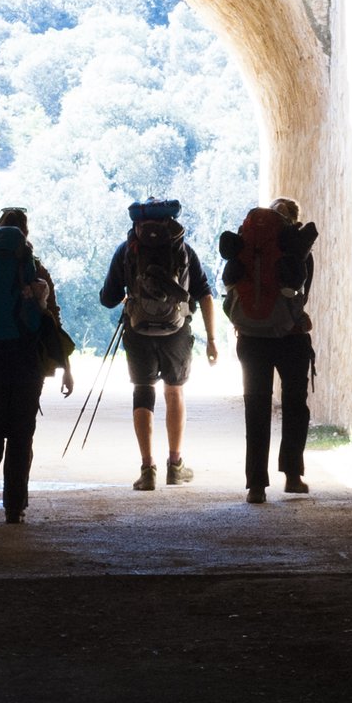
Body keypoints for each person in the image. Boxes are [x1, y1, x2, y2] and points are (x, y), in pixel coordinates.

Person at [0, 207, 74, 523]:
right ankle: (14, 507)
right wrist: (64, 366)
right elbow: (51, 320)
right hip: (26, 360)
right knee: (21, 434)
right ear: (25, 235)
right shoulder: (36, 271)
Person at [97, 197, 218, 490]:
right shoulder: (184, 250)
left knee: (143, 391)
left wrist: (129, 295)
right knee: (174, 392)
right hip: (176, 331)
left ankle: (147, 469)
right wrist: (212, 340)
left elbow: (108, 298)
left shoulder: (126, 251)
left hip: (138, 330)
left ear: (136, 225)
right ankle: (175, 465)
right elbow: (204, 295)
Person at [221, 196, 321, 504]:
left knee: (257, 407)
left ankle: (256, 486)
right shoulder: (297, 249)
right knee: (294, 404)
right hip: (291, 337)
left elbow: (230, 284)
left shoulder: (248, 246)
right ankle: (292, 475)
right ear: (293, 221)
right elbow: (301, 295)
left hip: (250, 339)